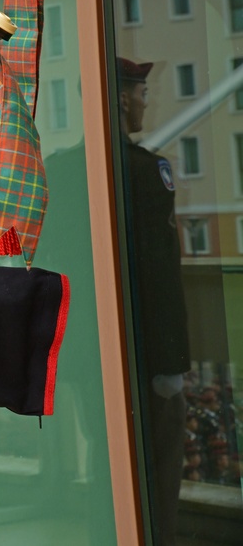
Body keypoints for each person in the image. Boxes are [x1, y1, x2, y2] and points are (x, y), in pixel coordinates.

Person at [117, 57, 191, 546]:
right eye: (142, 93)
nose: (147, 102)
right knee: (159, 475)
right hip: (146, 357)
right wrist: (170, 363)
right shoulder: (145, 171)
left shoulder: (65, 167)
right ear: (123, 99)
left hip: (100, 361)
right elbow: (160, 273)